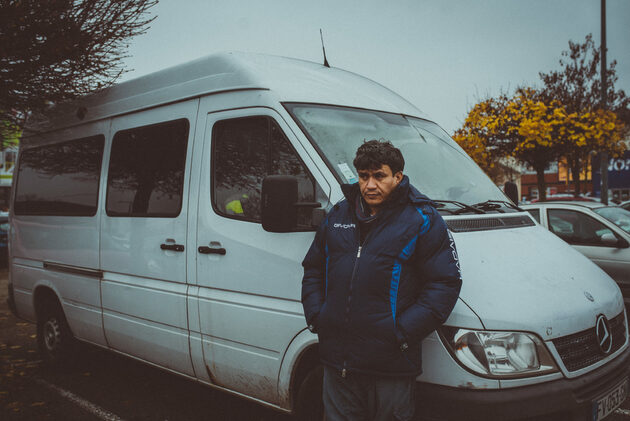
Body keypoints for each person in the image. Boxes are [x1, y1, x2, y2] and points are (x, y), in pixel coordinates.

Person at [301, 140, 462, 421]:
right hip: (338, 361)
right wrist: (318, 315)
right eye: (364, 176)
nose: (370, 185)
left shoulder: (422, 218)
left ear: (397, 177)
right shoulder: (339, 214)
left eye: (379, 176)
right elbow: (314, 268)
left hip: (391, 363)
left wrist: (400, 333)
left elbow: (444, 283)